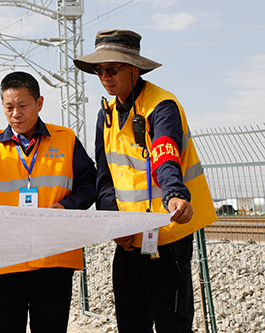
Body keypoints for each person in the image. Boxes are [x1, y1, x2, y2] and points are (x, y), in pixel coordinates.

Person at [73, 29, 217, 333]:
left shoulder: (161, 105)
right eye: (100, 70)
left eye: (112, 69)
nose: (105, 77)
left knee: (172, 322)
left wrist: (176, 194)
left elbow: (166, 152)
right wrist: (114, 222)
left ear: (134, 68)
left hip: (166, 232)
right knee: (131, 321)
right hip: (130, 237)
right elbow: (105, 176)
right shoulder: (107, 114)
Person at [0, 71, 96, 333]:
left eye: (22, 105)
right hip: (5, 261)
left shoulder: (66, 139)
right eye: (9, 107)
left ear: (39, 104)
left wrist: (66, 206)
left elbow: (89, 183)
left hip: (53, 260)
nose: (15, 114)